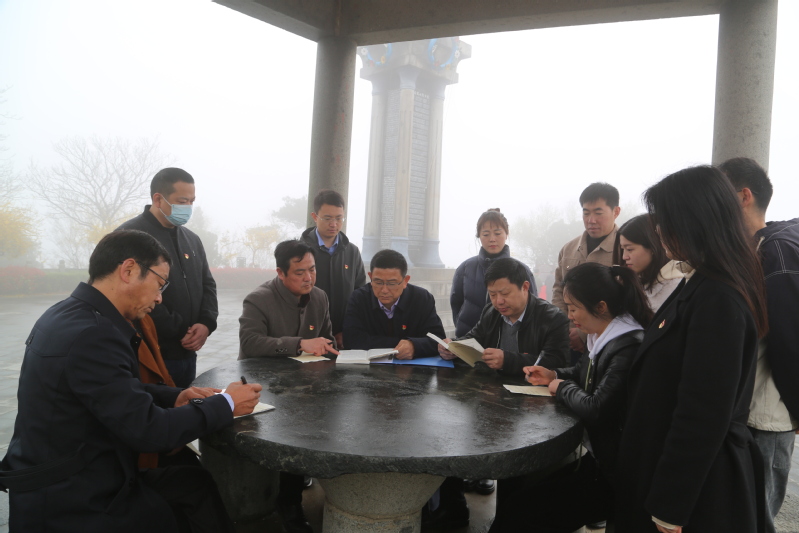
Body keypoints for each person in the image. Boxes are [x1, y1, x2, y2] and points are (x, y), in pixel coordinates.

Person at [0, 230, 262, 533]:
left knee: (193, 481)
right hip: (72, 497)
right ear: (128, 270)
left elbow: (110, 388)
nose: (159, 297)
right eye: (160, 283)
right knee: (175, 507)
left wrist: (175, 396)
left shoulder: (68, 313)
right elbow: (150, 431)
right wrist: (227, 403)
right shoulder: (93, 334)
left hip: (79, 470)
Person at [616, 166, 768, 533]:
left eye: (665, 221)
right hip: (665, 463)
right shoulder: (698, 282)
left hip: (698, 489)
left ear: (694, 221)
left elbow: (702, 414)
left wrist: (670, 508)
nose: (659, 232)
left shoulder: (718, 298)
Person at [488, 262, 651, 532]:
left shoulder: (627, 347)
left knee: (522, 512)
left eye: (574, 308)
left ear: (600, 307)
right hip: (599, 460)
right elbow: (581, 372)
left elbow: (597, 407)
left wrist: (561, 387)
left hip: (617, 474)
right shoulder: (602, 336)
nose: (570, 316)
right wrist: (552, 374)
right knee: (517, 502)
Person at [720, 156, 799, 533]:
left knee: (756, 516)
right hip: (747, 411)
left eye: (719, 195)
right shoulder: (752, 250)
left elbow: (789, 340)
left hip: (768, 414)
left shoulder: (775, 253)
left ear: (743, 197)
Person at [238, 239, 337, 533]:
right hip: (264, 384)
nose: (309, 278)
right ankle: (288, 504)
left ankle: (298, 492)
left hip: (305, 385)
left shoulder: (319, 297)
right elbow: (250, 343)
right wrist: (300, 344)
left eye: (312, 269)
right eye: (299, 272)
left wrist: (328, 349)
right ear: (280, 273)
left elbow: (327, 339)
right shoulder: (258, 299)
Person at [117, 167, 218, 387]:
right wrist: (180, 329)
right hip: (151, 352)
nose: (188, 207)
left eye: (192, 201)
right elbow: (132, 293)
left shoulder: (192, 239)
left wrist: (206, 323)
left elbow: (207, 283)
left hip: (188, 352)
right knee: (156, 404)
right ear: (158, 199)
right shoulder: (130, 237)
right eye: (182, 201)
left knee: (186, 402)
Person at [439, 257, 569, 376]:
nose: (499, 301)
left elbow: (556, 362)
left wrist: (508, 360)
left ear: (525, 287)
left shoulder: (553, 318)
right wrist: (453, 347)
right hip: (492, 388)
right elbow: (474, 339)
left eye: (505, 293)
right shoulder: (491, 312)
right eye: (492, 295)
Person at [553, 182, 621, 359]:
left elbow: (626, 299)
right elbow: (559, 290)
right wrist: (567, 329)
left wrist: (583, 334)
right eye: (586, 213)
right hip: (569, 340)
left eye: (598, 213)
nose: (591, 220)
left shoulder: (624, 250)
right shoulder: (568, 249)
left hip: (609, 343)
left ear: (616, 212)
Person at [343, 249, 445, 358]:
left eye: (392, 283)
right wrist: (404, 343)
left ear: (405, 281)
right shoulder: (359, 298)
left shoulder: (422, 299)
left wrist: (414, 346)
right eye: (378, 282)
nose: (384, 290)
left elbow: (438, 340)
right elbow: (351, 340)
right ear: (370, 277)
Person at [451, 208, 536, 338]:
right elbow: (456, 303)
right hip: (469, 341)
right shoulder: (465, 268)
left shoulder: (522, 270)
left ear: (506, 234)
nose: (492, 239)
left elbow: (532, 307)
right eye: (486, 234)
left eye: (497, 233)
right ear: (479, 236)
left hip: (509, 343)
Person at [301, 189, 367, 349]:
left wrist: (348, 330)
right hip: (307, 336)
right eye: (327, 218)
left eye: (339, 218)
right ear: (314, 217)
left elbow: (360, 295)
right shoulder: (300, 250)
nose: (334, 224)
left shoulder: (352, 252)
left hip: (343, 338)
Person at [612, 214, 685, 311]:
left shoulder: (675, 287)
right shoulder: (637, 279)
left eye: (629, 249)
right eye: (622, 249)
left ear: (653, 247)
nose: (624, 257)